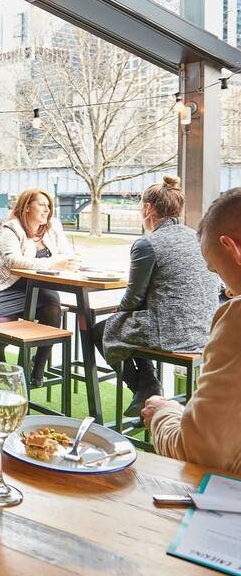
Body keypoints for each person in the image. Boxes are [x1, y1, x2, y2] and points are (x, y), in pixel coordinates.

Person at [94, 175, 219, 416]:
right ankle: (147, 386)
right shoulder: (196, 237)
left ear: (148, 208)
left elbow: (133, 299)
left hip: (172, 333)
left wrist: (119, 311)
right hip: (205, 330)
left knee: (101, 330)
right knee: (125, 326)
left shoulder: (148, 244)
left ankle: (145, 387)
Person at [141, 187, 241, 475]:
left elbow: (196, 451)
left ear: (233, 248)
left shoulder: (236, 319)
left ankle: (145, 388)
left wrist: (163, 413)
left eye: (216, 270)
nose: (228, 289)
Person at [0, 188, 78, 387]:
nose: (47, 210)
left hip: (40, 287)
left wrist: (70, 262)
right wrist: (52, 263)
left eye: (48, 206)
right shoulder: (11, 228)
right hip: (5, 287)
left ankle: (37, 368)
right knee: (1, 330)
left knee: (53, 312)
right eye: (41, 205)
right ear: (26, 207)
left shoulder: (53, 226)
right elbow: (13, 261)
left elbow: (67, 254)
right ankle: (1, 366)